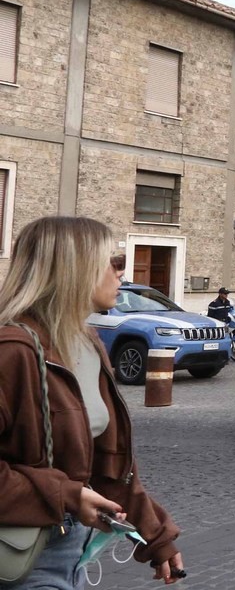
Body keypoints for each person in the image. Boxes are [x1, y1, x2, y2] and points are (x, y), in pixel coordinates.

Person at [0, 216, 185, 586]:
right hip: (19, 556)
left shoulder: (87, 345)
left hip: (74, 550)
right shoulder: (12, 352)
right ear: (74, 268)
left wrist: (156, 535)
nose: (122, 272)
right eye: (113, 261)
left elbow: (107, 464)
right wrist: (67, 496)